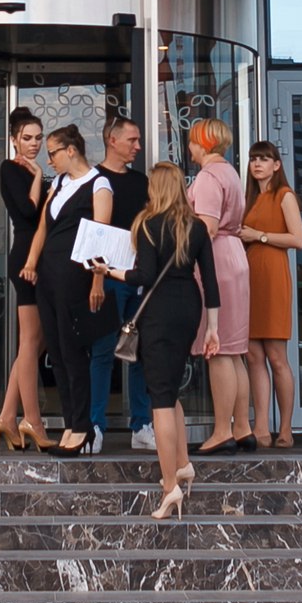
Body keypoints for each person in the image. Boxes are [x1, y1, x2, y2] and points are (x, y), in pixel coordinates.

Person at [106, 161, 217, 518]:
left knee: (161, 400)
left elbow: (145, 275)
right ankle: (182, 464)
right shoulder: (196, 227)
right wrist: (213, 328)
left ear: (156, 189)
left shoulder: (148, 224)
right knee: (170, 388)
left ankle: (170, 486)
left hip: (159, 313)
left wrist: (110, 271)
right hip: (189, 309)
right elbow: (210, 281)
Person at [19, 123, 115, 456]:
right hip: (49, 274)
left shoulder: (99, 184)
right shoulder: (59, 183)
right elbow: (43, 226)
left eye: (53, 153)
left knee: (74, 351)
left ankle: (83, 427)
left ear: (71, 150)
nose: (50, 160)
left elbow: (102, 234)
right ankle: (71, 423)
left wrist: (98, 280)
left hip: (76, 276)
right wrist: (31, 262)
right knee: (56, 353)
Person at [83, 116, 155, 452]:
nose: (137, 146)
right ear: (112, 140)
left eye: (139, 140)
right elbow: (93, 235)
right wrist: (97, 280)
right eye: (132, 140)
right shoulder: (93, 180)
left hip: (138, 277)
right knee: (102, 352)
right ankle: (95, 426)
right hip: (107, 278)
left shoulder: (142, 183)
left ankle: (141, 425)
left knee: (139, 352)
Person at [183, 116, 254, 453]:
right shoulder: (231, 173)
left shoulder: (209, 177)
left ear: (203, 142)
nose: (189, 147)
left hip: (216, 260)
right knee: (235, 350)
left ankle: (222, 430)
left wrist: (182, 256)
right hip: (235, 256)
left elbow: (207, 227)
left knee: (219, 349)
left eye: (192, 140)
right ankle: (242, 427)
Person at [238, 140, 302, 448]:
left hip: (274, 276)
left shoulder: (284, 195)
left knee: (277, 356)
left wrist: (259, 236)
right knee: (254, 355)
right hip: (249, 276)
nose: (257, 164)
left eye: (264, 159)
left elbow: (297, 239)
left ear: (276, 165)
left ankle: (286, 428)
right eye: (254, 159)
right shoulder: (250, 199)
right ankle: (261, 426)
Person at [0, 107, 51, 450]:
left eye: (39, 138)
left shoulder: (32, 173)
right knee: (30, 340)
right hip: (26, 257)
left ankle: (6, 415)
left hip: (41, 257)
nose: (34, 144)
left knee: (35, 341)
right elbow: (29, 212)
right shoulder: (10, 168)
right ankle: (33, 420)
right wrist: (39, 174)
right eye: (27, 138)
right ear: (14, 140)